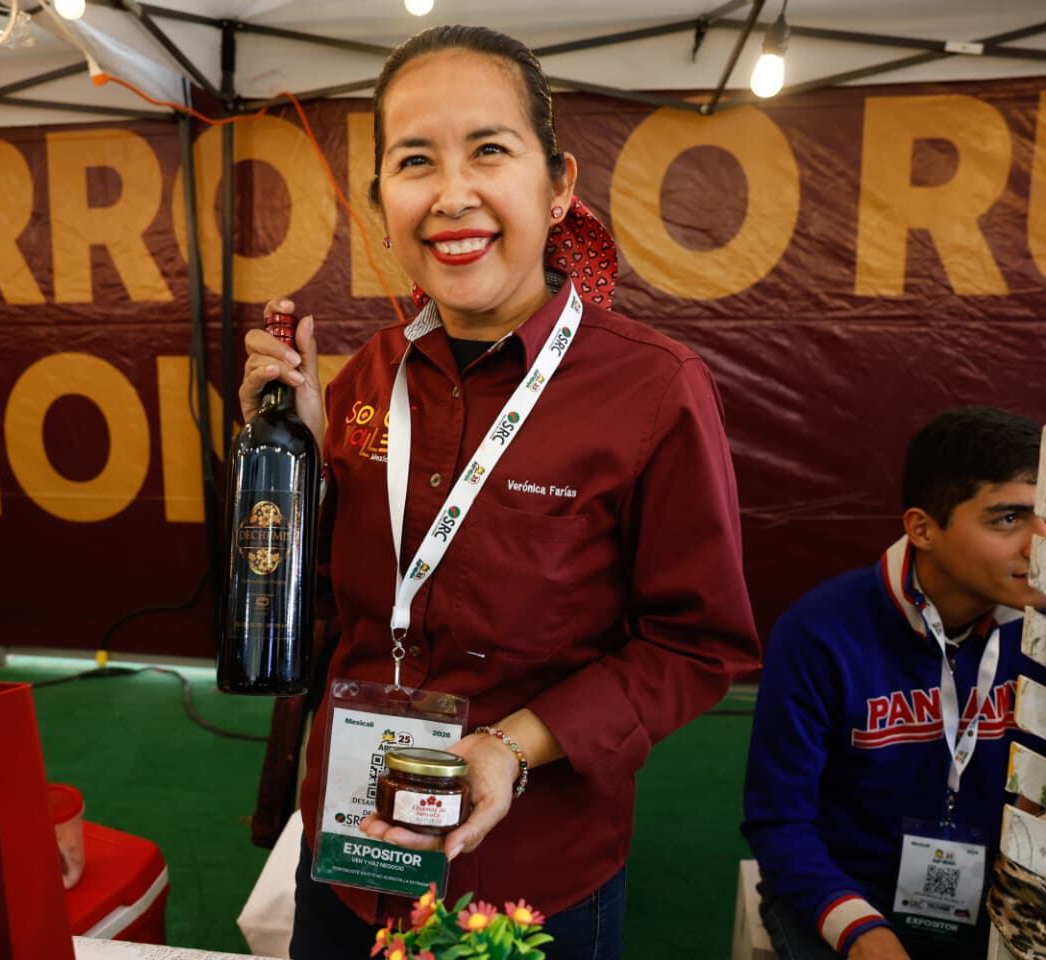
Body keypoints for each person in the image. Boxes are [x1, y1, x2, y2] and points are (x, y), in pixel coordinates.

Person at [239, 24, 760, 960]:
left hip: (531, 875)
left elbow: (695, 645)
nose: (452, 195)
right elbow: (329, 609)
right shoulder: (362, 381)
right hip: (351, 855)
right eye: (414, 162)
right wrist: (294, 473)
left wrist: (516, 744)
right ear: (382, 201)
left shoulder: (652, 388)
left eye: (489, 149)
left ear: (558, 185)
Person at [742, 406, 1046, 960]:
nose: (1037, 544)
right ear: (922, 528)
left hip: (1002, 893)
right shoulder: (819, 632)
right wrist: (859, 931)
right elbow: (780, 821)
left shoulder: (1038, 626)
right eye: (1007, 519)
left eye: (1043, 516)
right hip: (844, 891)